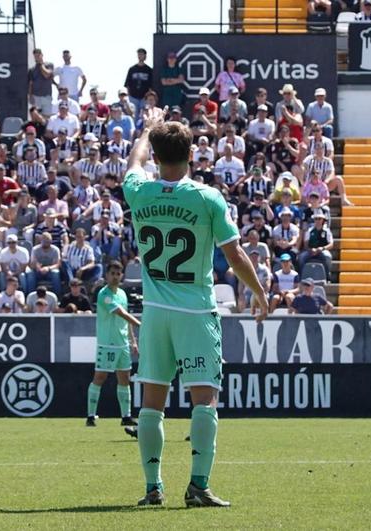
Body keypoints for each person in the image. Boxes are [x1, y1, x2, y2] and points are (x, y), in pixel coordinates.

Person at [123, 116, 268, 507]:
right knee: (204, 401)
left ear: (156, 155)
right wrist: (258, 291)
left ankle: (153, 488)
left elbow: (133, 165)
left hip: (154, 312)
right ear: (192, 154)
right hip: (196, 312)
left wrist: (143, 133)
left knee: (151, 404)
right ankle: (198, 486)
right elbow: (234, 254)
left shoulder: (138, 192)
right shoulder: (206, 198)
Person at [86, 261, 141, 430]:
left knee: (124, 379)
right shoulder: (104, 294)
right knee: (100, 377)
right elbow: (121, 313)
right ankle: (90, 415)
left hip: (122, 344)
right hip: (107, 344)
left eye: (118, 274)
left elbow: (126, 319)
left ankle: (126, 416)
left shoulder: (123, 294)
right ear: (107, 275)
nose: (116, 277)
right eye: (113, 273)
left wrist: (133, 341)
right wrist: (142, 325)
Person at [124, 48, 153, 122]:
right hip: (133, 97)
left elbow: (151, 85)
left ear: (145, 56)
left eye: (142, 54)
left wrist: (147, 97)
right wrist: (129, 96)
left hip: (144, 98)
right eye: (139, 54)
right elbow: (127, 84)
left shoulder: (149, 70)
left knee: (144, 117)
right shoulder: (132, 69)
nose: (140, 56)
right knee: (134, 117)